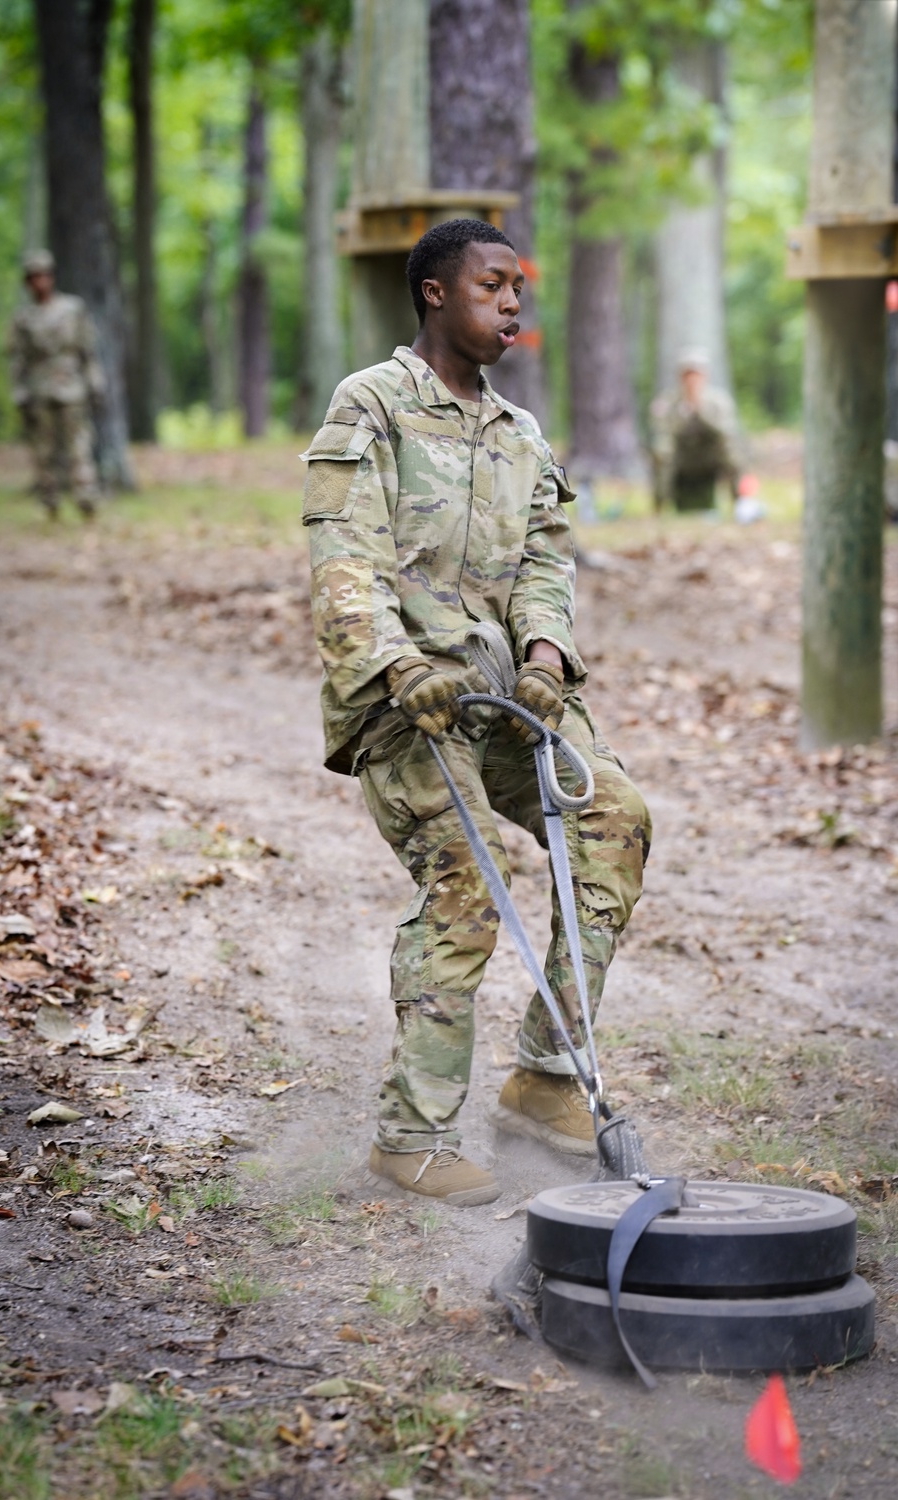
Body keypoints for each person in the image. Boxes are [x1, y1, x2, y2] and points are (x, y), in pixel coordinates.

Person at [302, 219, 651, 1207]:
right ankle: (410, 1138)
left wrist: (545, 655)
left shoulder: (520, 433)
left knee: (615, 818)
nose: (511, 303)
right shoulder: (371, 405)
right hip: (408, 705)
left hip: (506, 697)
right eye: (491, 285)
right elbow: (343, 559)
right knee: (469, 881)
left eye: (518, 289)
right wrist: (390, 665)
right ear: (432, 293)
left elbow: (544, 561)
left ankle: (544, 1076)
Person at [8, 249, 105, 518]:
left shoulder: (72, 309)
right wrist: (19, 390)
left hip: (71, 385)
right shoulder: (24, 318)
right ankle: (49, 497)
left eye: (44, 275)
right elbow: (17, 359)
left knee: (80, 444)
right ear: (27, 282)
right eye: (34, 277)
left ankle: (86, 494)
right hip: (39, 388)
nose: (40, 282)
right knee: (44, 448)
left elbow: (87, 351)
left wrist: (95, 382)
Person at [650, 349, 741, 513]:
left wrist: (701, 411)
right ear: (680, 377)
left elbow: (725, 432)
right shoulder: (668, 402)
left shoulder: (718, 401)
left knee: (733, 451)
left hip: (708, 456)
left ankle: (740, 504)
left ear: (705, 376)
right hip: (681, 456)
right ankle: (659, 507)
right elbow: (662, 431)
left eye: (697, 375)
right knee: (662, 450)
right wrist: (684, 412)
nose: (692, 380)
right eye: (688, 375)